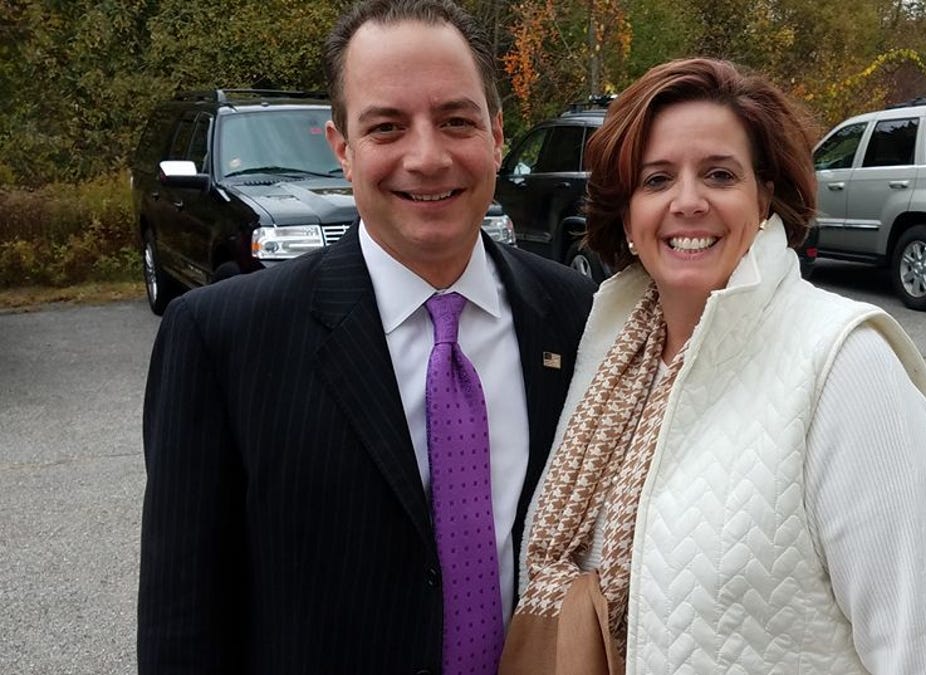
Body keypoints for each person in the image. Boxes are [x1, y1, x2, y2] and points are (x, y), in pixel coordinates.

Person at [137, 1, 596, 672]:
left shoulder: (577, 315)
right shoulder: (223, 340)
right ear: (343, 150)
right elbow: (183, 629)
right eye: (387, 126)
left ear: (497, 135)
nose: (428, 156)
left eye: (456, 120)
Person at [503, 58, 926, 673]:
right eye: (657, 179)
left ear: (765, 193)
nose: (687, 202)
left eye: (719, 175)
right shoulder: (610, 354)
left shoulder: (846, 365)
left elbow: (919, 649)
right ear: (626, 210)